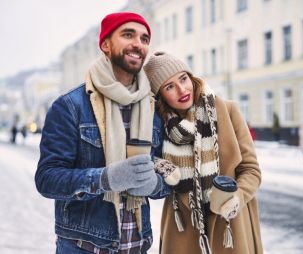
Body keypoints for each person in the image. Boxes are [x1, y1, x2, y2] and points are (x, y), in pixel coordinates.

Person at [35, 13, 169, 254]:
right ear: (105, 45)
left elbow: (167, 171)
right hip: (84, 247)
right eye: (128, 35)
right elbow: (47, 179)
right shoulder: (70, 106)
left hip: (137, 245)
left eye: (144, 38)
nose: (138, 44)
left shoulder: (153, 108)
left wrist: (156, 184)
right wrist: (104, 179)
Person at [144, 52, 263, 254]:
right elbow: (144, 161)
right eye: (169, 86)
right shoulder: (157, 125)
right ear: (160, 95)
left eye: (183, 79)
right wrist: (158, 164)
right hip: (182, 227)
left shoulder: (228, 110)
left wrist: (236, 198)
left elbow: (251, 170)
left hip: (230, 226)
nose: (182, 89)